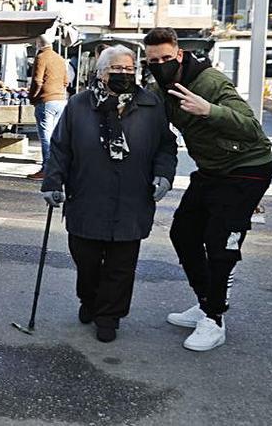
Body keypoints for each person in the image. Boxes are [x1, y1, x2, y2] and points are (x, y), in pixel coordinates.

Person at [143, 27, 272, 352]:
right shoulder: (160, 88)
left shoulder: (210, 81)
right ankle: (206, 301)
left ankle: (214, 319)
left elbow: (251, 128)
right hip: (212, 170)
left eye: (166, 58)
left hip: (248, 168)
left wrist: (209, 110)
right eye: (152, 60)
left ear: (179, 53)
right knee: (183, 233)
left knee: (220, 243)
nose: (160, 64)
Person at [42, 46, 178, 343]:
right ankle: (89, 299)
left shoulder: (151, 105)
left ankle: (109, 316)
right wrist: (53, 182)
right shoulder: (79, 105)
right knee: (86, 259)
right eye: (116, 69)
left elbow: (166, 147)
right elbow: (61, 148)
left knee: (121, 264)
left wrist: (164, 175)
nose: (124, 74)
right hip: (88, 195)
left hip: (132, 198)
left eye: (129, 69)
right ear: (101, 73)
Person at [27, 34, 68, 180]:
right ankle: (58, 168)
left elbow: (37, 81)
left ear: (38, 43)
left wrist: (31, 97)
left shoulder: (41, 57)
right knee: (56, 137)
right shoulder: (60, 58)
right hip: (61, 101)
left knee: (46, 136)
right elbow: (66, 82)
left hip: (46, 101)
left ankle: (47, 169)